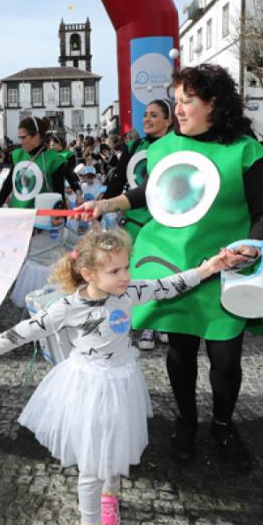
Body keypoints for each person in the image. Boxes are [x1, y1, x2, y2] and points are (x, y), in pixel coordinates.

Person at [0, 229, 232, 525]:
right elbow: (33, 326)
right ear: (88, 274)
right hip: (88, 386)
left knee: (116, 443)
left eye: (126, 267)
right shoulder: (68, 306)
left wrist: (211, 267)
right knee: (93, 463)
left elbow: (168, 284)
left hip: (123, 381)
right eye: (115, 271)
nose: (126, 276)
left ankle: (110, 497)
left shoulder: (129, 291)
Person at [74, 64, 263, 469]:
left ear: (214, 104)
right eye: (177, 101)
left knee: (225, 359)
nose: (180, 109)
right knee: (180, 351)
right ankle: (186, 423)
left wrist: (253, 247)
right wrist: (104, 203)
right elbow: (150, 195)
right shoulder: (165, 148)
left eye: (188, 101)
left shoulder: (243, 151)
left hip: (224, 268)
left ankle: (222, 425)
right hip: (175, 267)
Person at [102, 99, 175, 351]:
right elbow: (118, 177)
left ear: (168, 120)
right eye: (145, 115)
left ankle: (162, 321)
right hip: (134, 218)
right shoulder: (135, 146)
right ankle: (146, 324)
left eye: (154, 115)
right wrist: (102, 203)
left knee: (163, 271)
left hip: (164, 219)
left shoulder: (175, 146)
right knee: (140, 271)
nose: (146, 119)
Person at [0, 117, 82, 209]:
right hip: (17, 214)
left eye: (23, 137)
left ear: (37, 136)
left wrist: (78, 193)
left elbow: (60, 190)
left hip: (41, 217)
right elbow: (8, 184)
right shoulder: (18, 155)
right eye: (20, 137)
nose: (21, 142)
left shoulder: (53, 159)